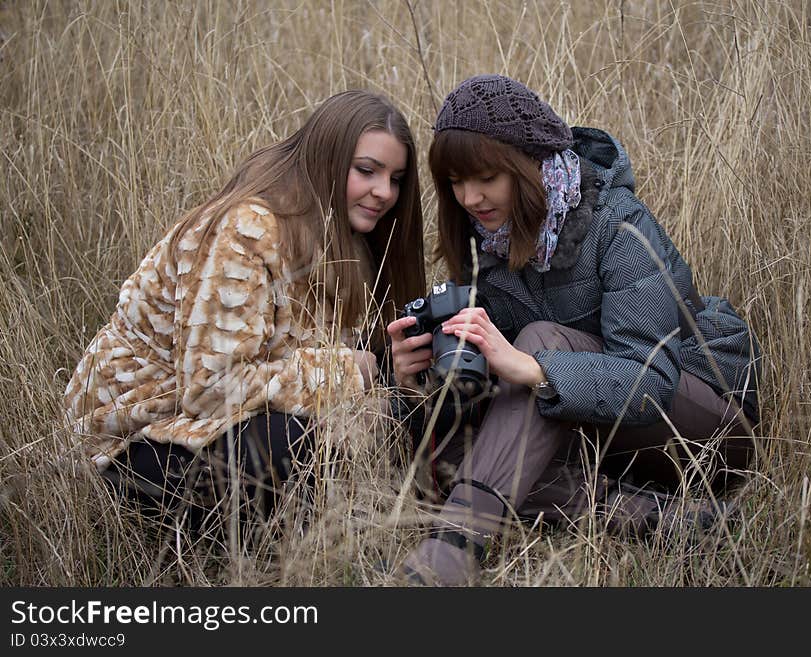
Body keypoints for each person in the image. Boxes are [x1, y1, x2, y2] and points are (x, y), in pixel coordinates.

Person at [387, 74, 761, 585]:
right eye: (455, 181)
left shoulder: (617, 224)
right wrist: (423, 379)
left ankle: (451, 554)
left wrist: (534, 367)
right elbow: (486, 405)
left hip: (702, 429)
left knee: (541, 340)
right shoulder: (483, 247)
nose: (470, 198)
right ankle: (650, 517)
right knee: (454, 454)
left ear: (530, 163)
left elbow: (652, 383)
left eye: (486, 176)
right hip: (596, 436)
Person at [63, 90, 425, 532]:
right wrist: (351, 373)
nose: (384, 192)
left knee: (410, 408)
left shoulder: (347, 236)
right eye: (366, 171)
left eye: (396, 178)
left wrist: (393, 376)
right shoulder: (247, 228)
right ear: (327, 159)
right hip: (137, 448)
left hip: (218, 431)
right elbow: (213, 387)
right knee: (285, 446)